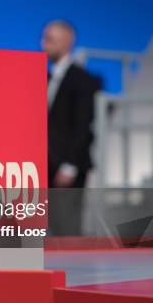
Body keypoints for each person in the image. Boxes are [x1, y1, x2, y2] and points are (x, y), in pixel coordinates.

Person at [41, 20, 101, 234]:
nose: (42, 45)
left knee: (67, 226)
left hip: (69, 167)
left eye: (49, 40)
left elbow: (83, 126)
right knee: (48, 225)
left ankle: (73, 269)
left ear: (67, 41)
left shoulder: (83, 80)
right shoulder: (43, 78)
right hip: (45, 165)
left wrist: (69, 165)